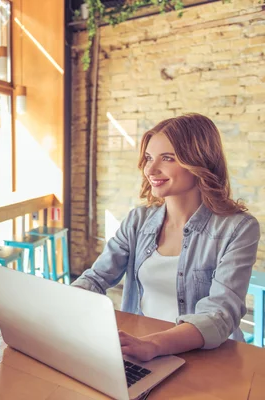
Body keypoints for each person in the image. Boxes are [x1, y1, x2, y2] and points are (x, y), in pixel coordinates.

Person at [72, 113, 260, 362]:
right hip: (142, 350)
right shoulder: (137, 221)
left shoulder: (238, 228)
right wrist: (61, 307)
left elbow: (219, 314)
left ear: (199, 162)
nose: (150, 169)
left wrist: (153, 345)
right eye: (149, 158)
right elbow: (95, 279)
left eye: (168, 158)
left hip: (207, 359)